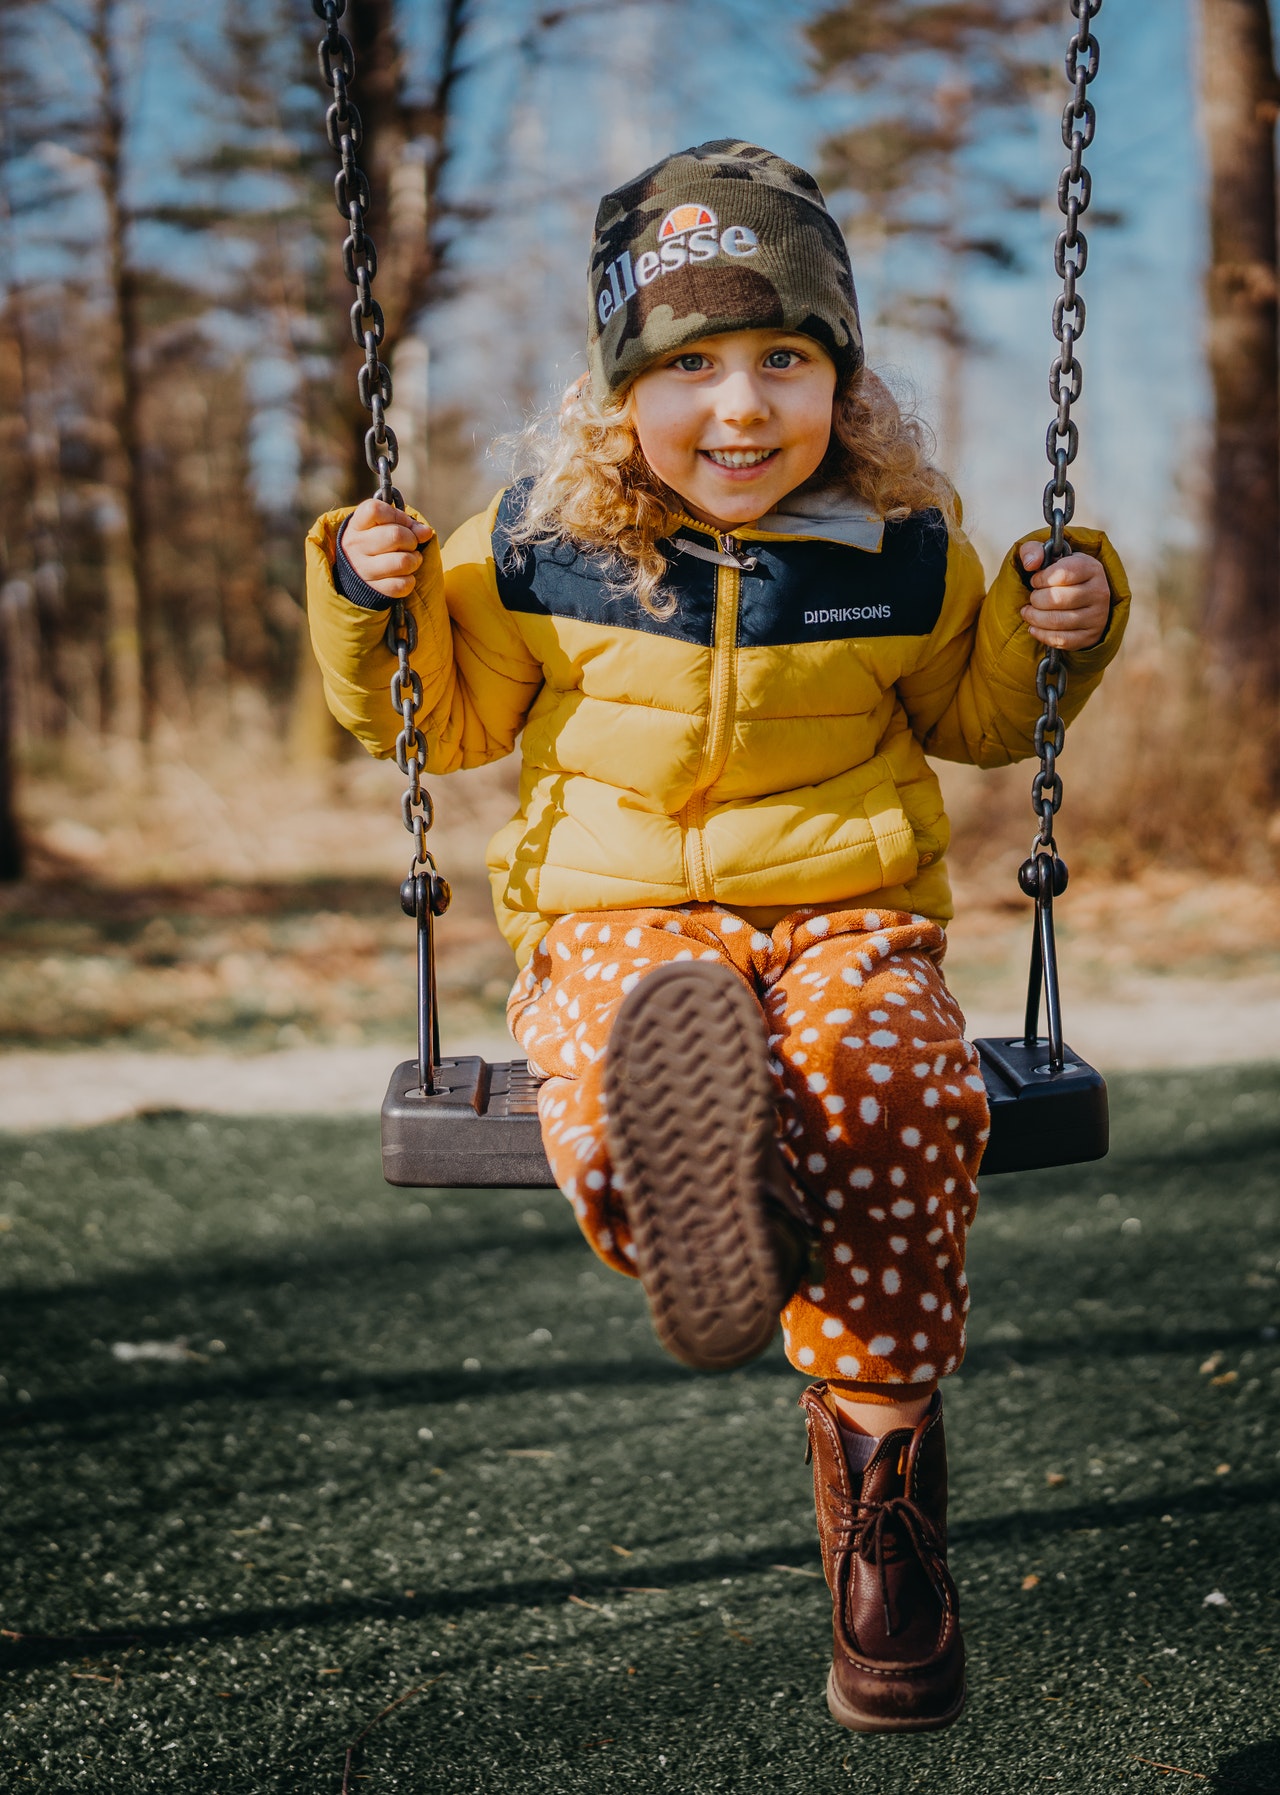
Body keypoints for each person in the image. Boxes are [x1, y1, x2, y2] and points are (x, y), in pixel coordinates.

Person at [305, 140, 1129, 1733]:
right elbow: (447, 719)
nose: (740, 408)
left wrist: (1064, 631)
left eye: (784, 360)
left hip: (846, 914)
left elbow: (974, 719)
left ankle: (884, 1523)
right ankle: (721, 1192)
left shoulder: (903, 544)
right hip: (621, 919)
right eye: (688, 365)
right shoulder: (536, 541)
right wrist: (367, 593)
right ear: (620, 389)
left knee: (894, 1087)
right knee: (626, 1069)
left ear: (842, 381)